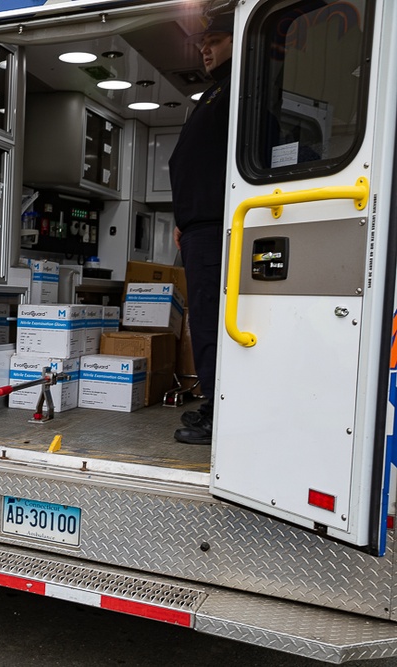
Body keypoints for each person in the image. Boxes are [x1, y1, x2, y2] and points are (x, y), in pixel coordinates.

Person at [167, 5, 234, 446]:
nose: (204, 48)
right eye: (203, 42)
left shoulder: (239, 91)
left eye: (215, 40)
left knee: (209, 324)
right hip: (197, 228)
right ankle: (216, 402)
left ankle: (223, 414)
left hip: (213, 228)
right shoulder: (213, 95)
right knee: (205, 322)